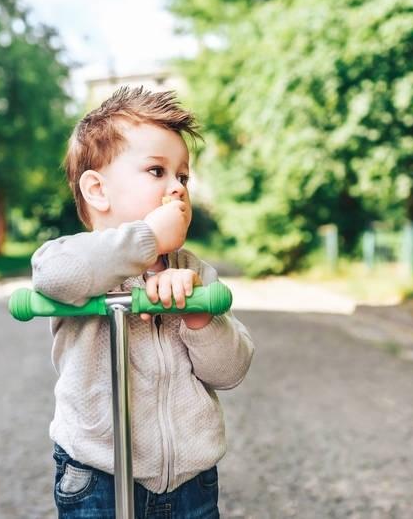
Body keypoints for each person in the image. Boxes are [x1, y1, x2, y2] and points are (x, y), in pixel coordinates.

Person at [31, 85, 255, 518]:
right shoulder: (76, 256)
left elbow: (231, 371)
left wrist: (197, 315)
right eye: (157, 172)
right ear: (97, 190)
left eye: (183, 176)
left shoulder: (193, 272)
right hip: (97, 476)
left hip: (190, 479)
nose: (177, 189)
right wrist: (148, 239)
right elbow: (54, 276)